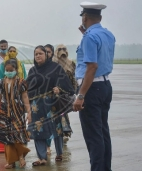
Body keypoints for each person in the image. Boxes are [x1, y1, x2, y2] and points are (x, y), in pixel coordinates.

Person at [73, 2, 115, 171]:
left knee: (93, 136)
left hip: (91, 88)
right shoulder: (108, 34)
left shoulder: (89, 37)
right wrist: (86, 34)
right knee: (103, 132)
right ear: (100, 18)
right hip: (105, 86)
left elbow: (92, 67)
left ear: (85, 17)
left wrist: (81, 95)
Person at [26, 45, 74, 166]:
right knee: (38, 131)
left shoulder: (55, 68)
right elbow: (27, 89)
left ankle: (59, 153)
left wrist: (59, 89)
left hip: (52, 104)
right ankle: (42, 158)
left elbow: (67, 85)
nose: (37, 56)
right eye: (36, 54)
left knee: (56, 129)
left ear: (47, 55)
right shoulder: (33, 71)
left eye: (40, 53)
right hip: (36, 106)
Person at [0, 59, 31, 169]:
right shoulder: (1, 82)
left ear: (16, 70)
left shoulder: (21, 82)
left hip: (18, 111)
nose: (9, 72)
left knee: (18, 135)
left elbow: (25, 97)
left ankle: (21, 157)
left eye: (11, 70)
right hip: (4, 111)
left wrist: (29, 113)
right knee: (7, 137)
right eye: (7, 70)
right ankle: (11, 161)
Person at [53, 44, 77, 145]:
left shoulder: (71, 63)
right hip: (54, 91)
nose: (62, 51)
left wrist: (74, 91)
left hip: (66, 92)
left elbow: (74, 79)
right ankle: (58, 134)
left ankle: (64, 133)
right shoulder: (53, 63)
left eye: (64, 49)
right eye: (60, 49)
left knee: (63, 112)